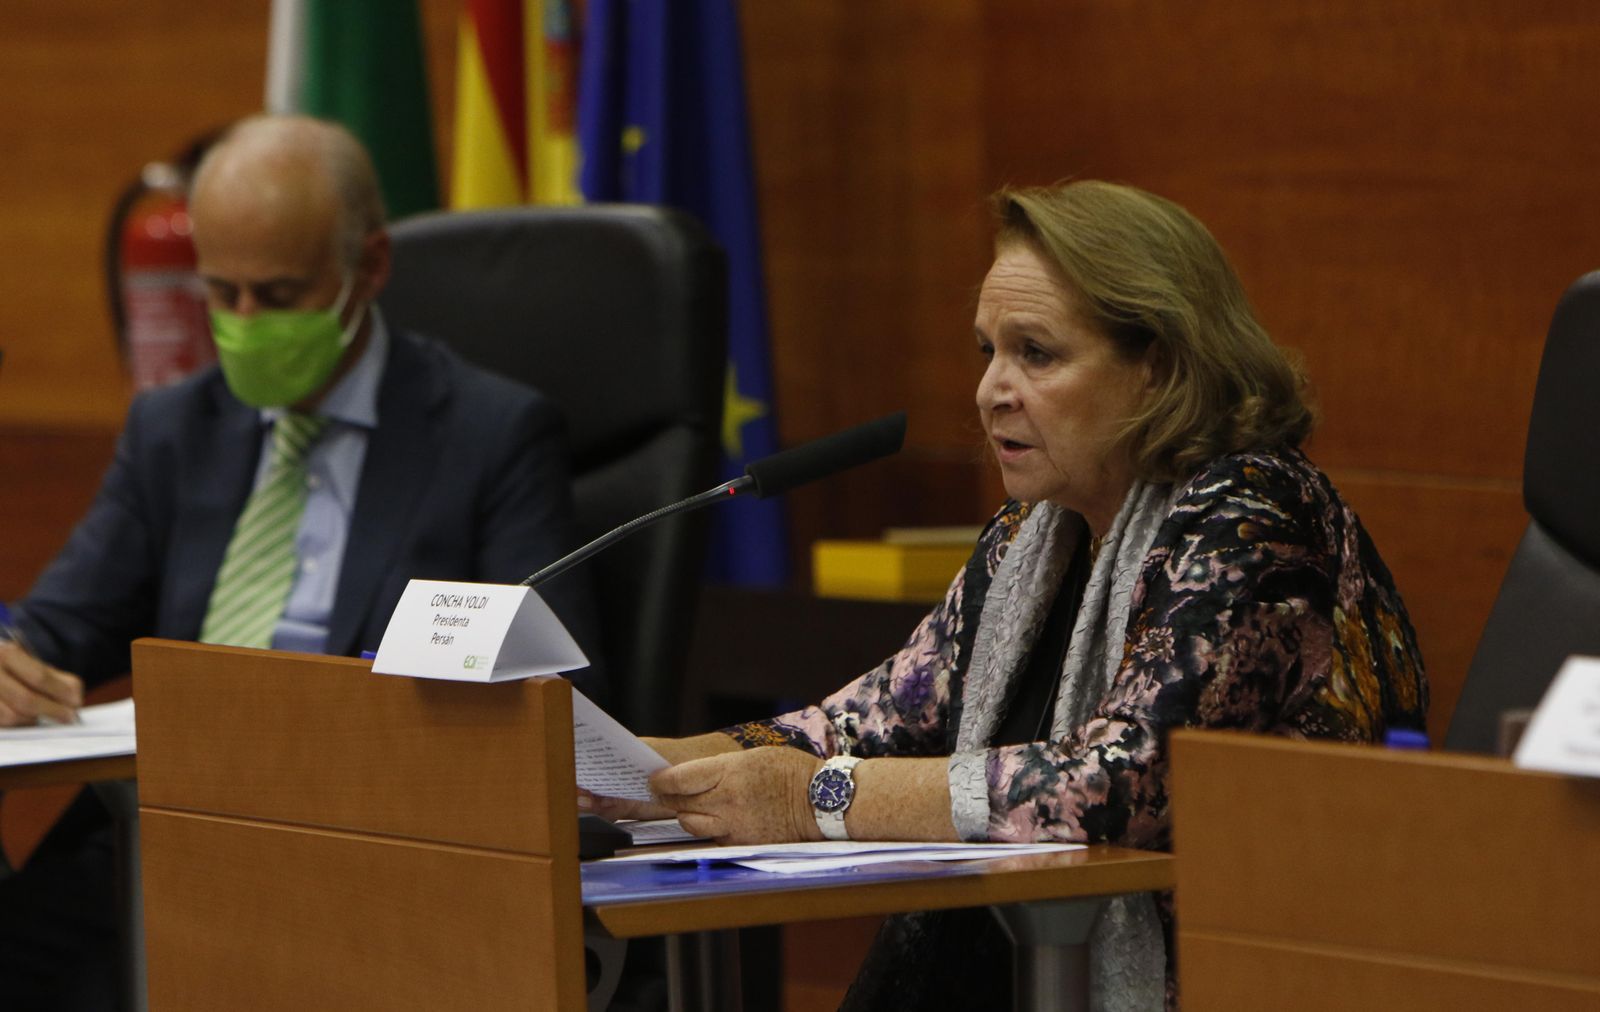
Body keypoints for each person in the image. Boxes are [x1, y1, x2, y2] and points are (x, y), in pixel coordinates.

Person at [595, 180, 1428, 1010]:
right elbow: (874, 718)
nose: (992, 389)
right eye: (987, 351)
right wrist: (640, 770)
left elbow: (1119, 785)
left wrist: (815, 797)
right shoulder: (1032, 533)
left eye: (1037, 353)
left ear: (1159, 366)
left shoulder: (1253, 518)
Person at [0, 114, 603, 1009]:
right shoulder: (174, 429)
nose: (244, 323)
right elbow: (53, 631)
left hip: (369, 849)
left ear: (369, 267)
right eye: (222, 293)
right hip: (155, 836)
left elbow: (556, 698)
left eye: (278, 295)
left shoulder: (489, 435)